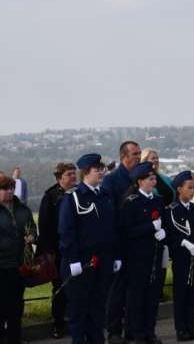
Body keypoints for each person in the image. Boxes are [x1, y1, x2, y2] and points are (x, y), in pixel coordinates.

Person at [58, 154, 121, 344]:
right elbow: (66, 230)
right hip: (82, 260)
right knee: (79, 307)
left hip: (104, 258)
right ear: (86, 173)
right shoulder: (74, 197)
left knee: (98, 304)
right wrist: (73, 259)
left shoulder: (105, 195)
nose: (101, 172)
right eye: (97, 169)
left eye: (102, 168)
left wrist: (116, 255)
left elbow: (112, 229)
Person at [121, 161, 166, 344]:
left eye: (154, 178)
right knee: (137, 296)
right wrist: (150, 227)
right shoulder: (131, 203)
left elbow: (165, 222)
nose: (154, 182)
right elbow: (127, 231)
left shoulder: (157, 200)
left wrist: (164, 232)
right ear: (140, 182)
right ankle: (137, 332)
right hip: (138, 256)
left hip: (155, 254)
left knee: (152, 295)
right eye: (150, 179)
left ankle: (150, 331)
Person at [103, 141, 141, 344]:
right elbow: (110, 214)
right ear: (123, 156)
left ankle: (132, 329)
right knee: (117, 290)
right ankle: (114, 331)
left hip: (137, 241)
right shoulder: (111, 181)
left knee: (134, 289)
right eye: (135, 154)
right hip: (119, 241)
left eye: (139, 153)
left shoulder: (140, 178)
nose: (138, 157)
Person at [37, 162, 77, 338]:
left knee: (78, 287)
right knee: (60, 288)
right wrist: (49, 252)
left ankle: (77, 321)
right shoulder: (51, 197)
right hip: (59, 251)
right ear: (59, 177)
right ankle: (58, 323)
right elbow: (45, 227)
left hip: (77, 249)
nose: (73, 177)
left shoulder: (79, 193)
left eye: (74, 174)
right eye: (69, 174)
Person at [163, 172, 194, 341]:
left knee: (191, 292)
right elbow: (169, 235)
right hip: (181, 257)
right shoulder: (172, 210)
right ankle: (181, 329)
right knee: (181, 293)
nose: (192, 191)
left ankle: (190, 326)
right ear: (179, 189)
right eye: (189, 188)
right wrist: (183, 242)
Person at [0, 171, 36, 344]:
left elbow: (32, 228)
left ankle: (15, 339)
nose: (8, 192)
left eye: (11, 188)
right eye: (4, 189)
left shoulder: (23, 209)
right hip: (1, 267)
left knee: (16, 308)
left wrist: (31, 236)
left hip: (20, 266)